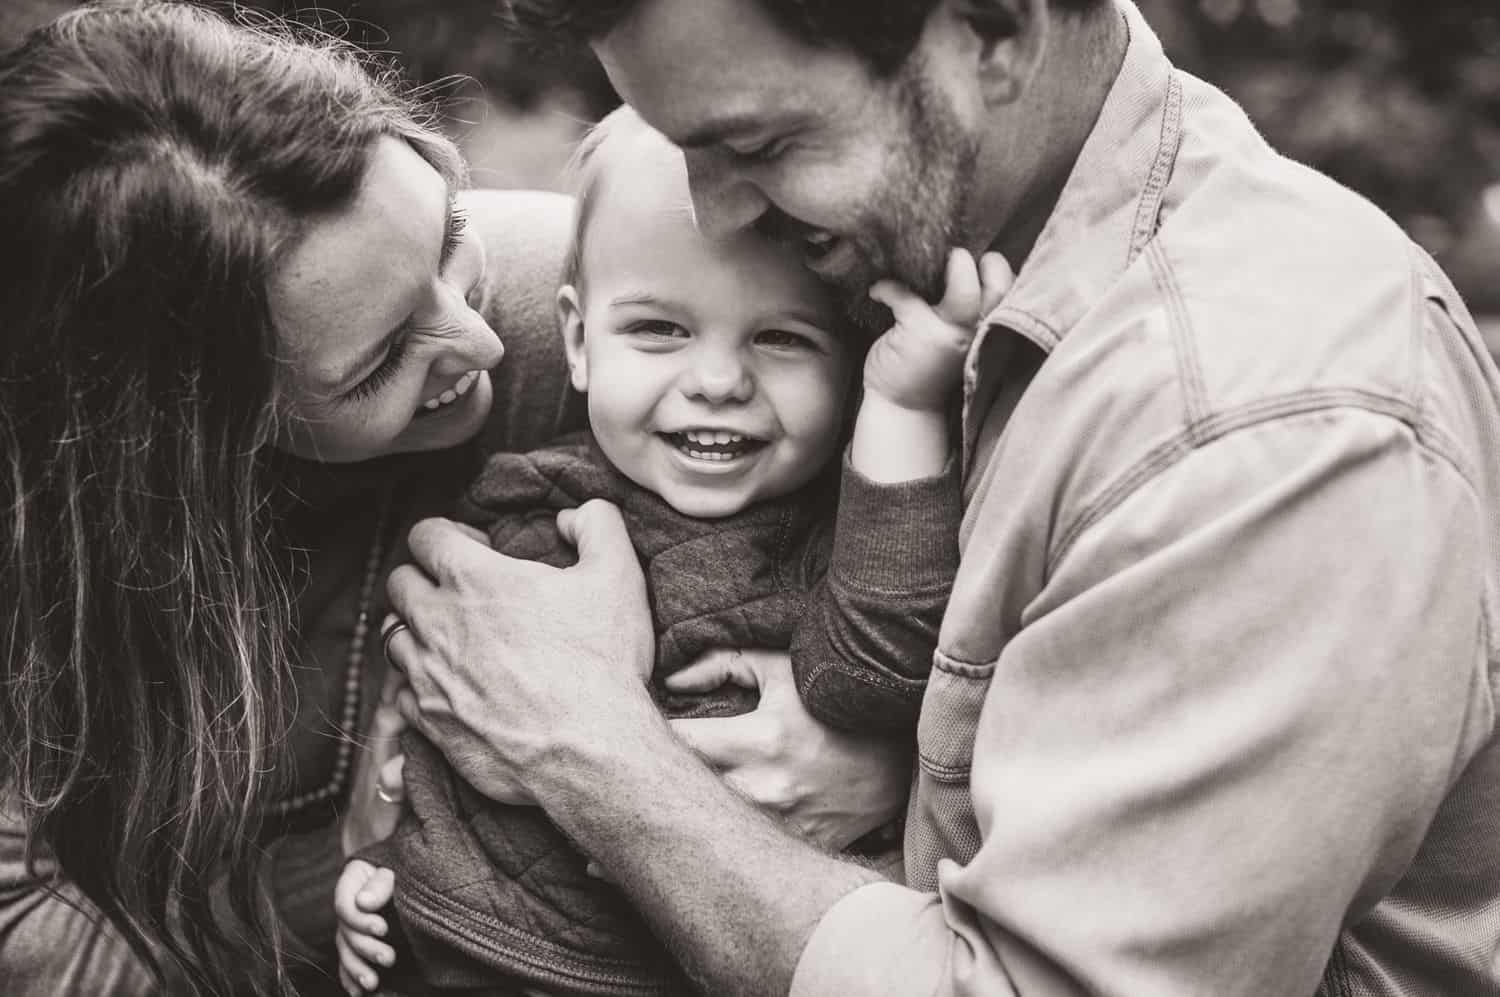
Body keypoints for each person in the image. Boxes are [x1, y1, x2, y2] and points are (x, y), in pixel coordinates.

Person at [381, 0, 1500, 994]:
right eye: (687, 151)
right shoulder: (931, 244)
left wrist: (590, 743)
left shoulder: (1259, 437)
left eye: (759, 144)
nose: (717, 216)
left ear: (997, 34)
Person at [334, 104, 1012, 996]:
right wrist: (375, 865)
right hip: (448, 943)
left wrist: (902, 407)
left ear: (852, 360)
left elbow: (875, 679)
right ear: (577, 339)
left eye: (782, 338)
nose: (718, 381)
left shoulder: (836, 532)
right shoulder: (522, 493)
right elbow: (423, 713)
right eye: (658, 329)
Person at [0, 2, 596, 992]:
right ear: (188, 444)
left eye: (448, 234)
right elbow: (28, 920)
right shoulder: (43, 548)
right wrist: (347, 870)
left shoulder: (591, 315)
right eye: (379, 364)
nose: (479, 342)